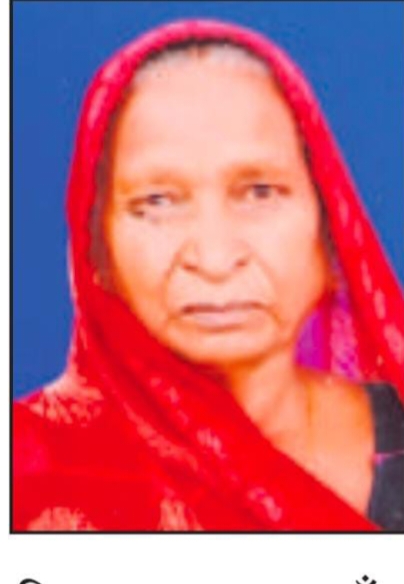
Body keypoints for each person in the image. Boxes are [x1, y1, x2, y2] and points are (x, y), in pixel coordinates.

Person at [13, 19, 404, 532]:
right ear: (97, 252)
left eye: (260, 192)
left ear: (331, 235)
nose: (215, 258)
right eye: (157, 202)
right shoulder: (27, 471)